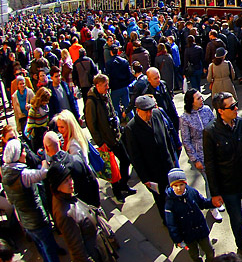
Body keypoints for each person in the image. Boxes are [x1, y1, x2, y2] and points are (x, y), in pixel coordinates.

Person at [1, 139, 71, 262]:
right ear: (17, 156)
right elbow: (42, 174)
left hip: (26, 222)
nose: (25, 153)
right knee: (49, 254)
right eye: (22, 151)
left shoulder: (6, 173)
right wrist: (45, 158)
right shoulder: (23, 175)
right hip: (37, 220)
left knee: (43, 247)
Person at [203, 92, 242, 259]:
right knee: (237, 220)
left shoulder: (241, 124)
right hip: (229, 187)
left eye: (236, 104)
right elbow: (210, 165)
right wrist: (215, 193)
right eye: (232, 107)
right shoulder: (210, 132)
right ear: (220, 111)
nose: (236, 108)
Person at [124, 95, 178, 224]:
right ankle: (168, 221)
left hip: (168, 164)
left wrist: (173, 158)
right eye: (146, 111)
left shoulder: (157, 114)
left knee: (174, 193)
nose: (149, 114)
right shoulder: (131, 128)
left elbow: (166, 137)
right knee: (161, 199)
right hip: (153, 172)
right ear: (138, 111)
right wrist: (145, 178)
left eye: (150, 110)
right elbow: (135, 156)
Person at [83, 74, 136, 202]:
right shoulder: (91, 102)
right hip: (106, 140)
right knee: (113, 168)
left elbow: (111, 111)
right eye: (105, 85)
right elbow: (91, 124)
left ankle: (123, 184)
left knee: (125, 160)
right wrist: (100, 142)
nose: (108, 87)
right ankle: (117, 191)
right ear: (98, 85)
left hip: (115, 136)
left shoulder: (105, 95)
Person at [179, 88, 221, 221]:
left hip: (214, 150)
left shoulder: (207, 110)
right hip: (200, 154)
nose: (201, 99)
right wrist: (194, 159)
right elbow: (186, 140)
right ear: (191, 102)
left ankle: (218, 199)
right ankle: (212, 206)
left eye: (201, 97)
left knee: (217, 177)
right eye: (198, 98)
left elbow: (215, 126)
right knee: (209, 181)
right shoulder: (185, 118)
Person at [164, 168, 215, 262]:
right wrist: (177, 239)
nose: (179, 188)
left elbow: (202, 203)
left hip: (201, 230)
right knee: (194, 255)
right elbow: (171, 224)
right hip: (187, 235)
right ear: (171, 186)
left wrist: (212, 203)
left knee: (209, 251)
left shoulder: (192, 192)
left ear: (185, 183)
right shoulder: (170, 203)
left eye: (181, 184)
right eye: (175, 185)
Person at [43, 131, 99, 208]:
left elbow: (51, 201)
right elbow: (93, 182)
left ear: (46, 148)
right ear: (59, 142)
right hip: (88, 208)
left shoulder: (51, 174)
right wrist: (97, 206)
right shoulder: (77, 159)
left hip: (71, 213)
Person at [144, 67, 180, 131]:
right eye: (155, 78)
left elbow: (170, 100)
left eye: (159, 77)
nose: (158, 80)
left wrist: (176, 115)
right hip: (162, 121)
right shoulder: (147, 93)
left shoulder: (163, 84)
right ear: (149, 79)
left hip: (172, 116)